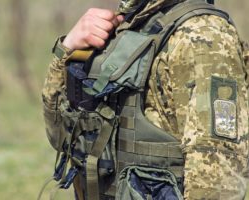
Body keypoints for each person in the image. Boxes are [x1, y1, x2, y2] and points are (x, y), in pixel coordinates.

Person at [42, 0, 249, 199]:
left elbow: (218, 174)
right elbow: (62, 138)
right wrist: (68, 51)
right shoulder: (133, 24)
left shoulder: (203, 35)